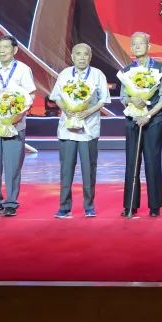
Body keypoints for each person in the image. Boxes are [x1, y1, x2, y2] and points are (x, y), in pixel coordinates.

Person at [0, 35, 36, 217]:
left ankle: (11, 203)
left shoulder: (23, 69)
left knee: (12, 165)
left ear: (15, 50)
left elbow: (31, 95)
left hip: (15, 125)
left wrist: (17, 116)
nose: (1, 50)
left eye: (5, 47)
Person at [52, 43, 109, 218]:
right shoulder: (65, 74)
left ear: (90, 57)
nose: (82, 57)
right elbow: (56, 96)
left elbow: (103, 100)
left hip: (89, 129)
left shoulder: (97, 74)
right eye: (78, 54)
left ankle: (89, 206)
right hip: (67, 129)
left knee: (89, 169)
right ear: (72, 57)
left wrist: (88, 111)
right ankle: (64, 207)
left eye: (85, 54)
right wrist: (65, 109)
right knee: (66, 169)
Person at [120, 32, 162, 217]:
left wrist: (148, 114)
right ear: (131, 48)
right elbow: (123, 97)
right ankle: (130, 205)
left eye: (141, 43)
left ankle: (155, 206)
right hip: (133, 119)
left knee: (152, 161)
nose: (137, 46)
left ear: (149, 46)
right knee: (132, 162)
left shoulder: (159, 68)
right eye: (134, 44)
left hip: (154, 120)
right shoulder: (126, 71)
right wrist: (132, 99)